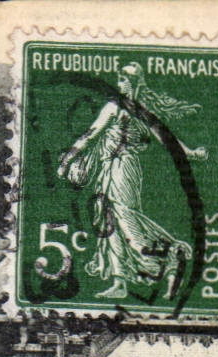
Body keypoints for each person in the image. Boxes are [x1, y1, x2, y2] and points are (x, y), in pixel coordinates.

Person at [56, 62, 208, 301]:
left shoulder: (131, 109)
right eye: (120, 78)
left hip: (123, 168)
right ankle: (121, 281)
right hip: (110, 169)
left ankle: (169, 257)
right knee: (108, 223)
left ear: (135, 82)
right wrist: (69, 158)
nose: (122, 82)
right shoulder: (120, 108)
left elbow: (166, 139)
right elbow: (92, 134)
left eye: (126, 78)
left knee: (125, 219)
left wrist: (191, 153)